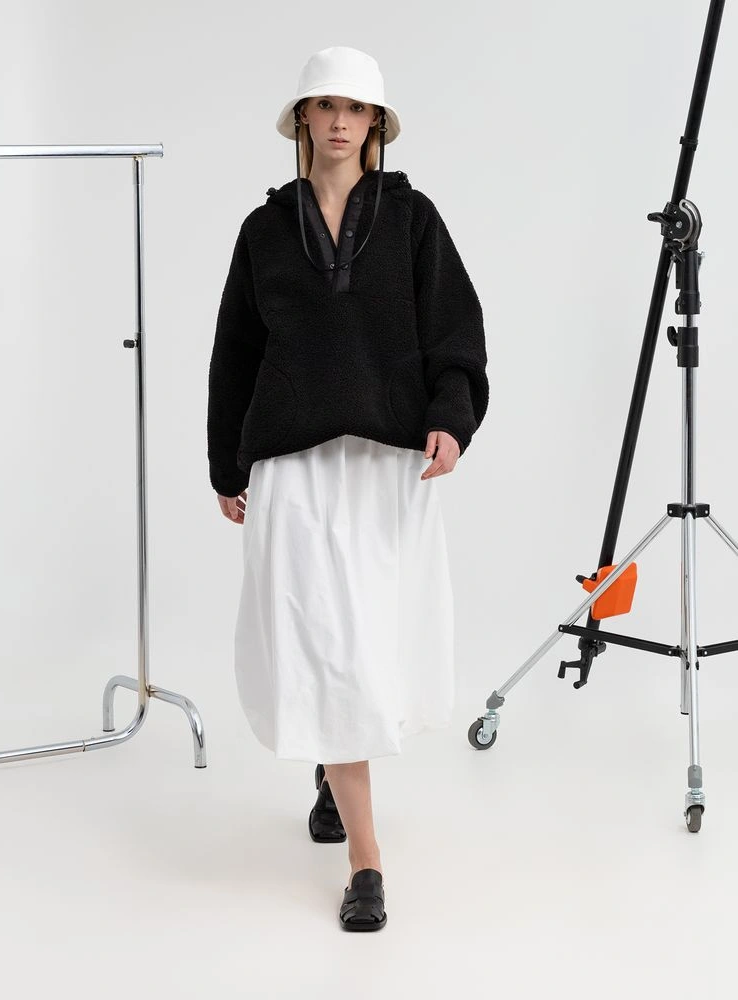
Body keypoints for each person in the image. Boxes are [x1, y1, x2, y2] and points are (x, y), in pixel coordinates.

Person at [207, 46, 489, 931]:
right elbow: (234, 353)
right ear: (303, 117)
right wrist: (227, 465)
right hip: (292, 464)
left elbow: (456, 327)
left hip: (382, 463)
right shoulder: (263, 232)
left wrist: (452, 415)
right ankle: (367, 863)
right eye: (325, 105)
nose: (339, 122)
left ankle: (332, 775)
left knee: (364, 643)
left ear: (375, 124)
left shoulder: (411, 220)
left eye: (355, 108)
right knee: (323, 641)